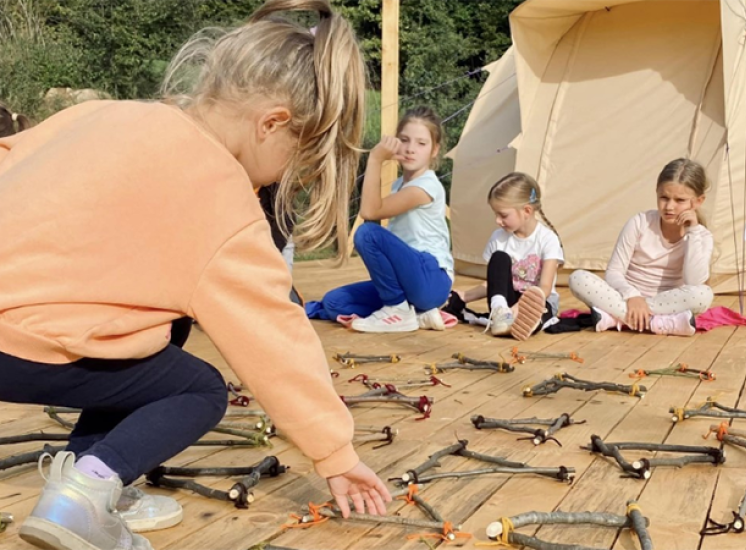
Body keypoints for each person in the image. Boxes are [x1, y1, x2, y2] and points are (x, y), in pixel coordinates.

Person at [0, 2, 391, 550]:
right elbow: (274, 339)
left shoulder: (103, 114)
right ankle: (84, 494)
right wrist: (336, 453)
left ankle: (88, 472)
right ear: (273, 123)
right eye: (298, 157)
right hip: (22, 347)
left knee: (165, 325)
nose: (289, 175)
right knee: (200, 388)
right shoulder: (223, 201)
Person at [315, 106, 454, 333]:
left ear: (434, 150)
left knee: (367, 233)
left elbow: (370, 212)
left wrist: (375, 160)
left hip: (431, 279)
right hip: (408, 279)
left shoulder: (426, 186)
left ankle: (397, 309)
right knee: (334, 303)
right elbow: (373, 208)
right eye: (404, 140)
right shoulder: (399, 185)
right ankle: (416, 313)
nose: (410, 149)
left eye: (421, 143)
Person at [569, 158, 714, 336]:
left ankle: (617, 318)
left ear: (698, 201)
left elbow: (694, 281)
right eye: (664, 198)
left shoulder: (702, 236)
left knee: (704, 295)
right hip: (627, 297)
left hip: (668, 303)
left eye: (680, 200)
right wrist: (632, 296)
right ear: (656, 193)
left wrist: (692, 231)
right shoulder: (640, 223)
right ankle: (657, 322)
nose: (669, 206)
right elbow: (614, 272)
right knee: (577, 278)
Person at [449, 172, 563, 340]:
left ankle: (521, 320)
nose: (497, 220)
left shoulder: (548, 239)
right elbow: (494, 283)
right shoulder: (498, 238)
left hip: (539, 301)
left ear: (526, 211)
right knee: (499, 258)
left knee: (538, 314)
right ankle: (501, 313)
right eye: (495, 214)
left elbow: (545, 287)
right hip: (507, 300)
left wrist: (521, 308)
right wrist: (465, 296)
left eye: (503, 215)